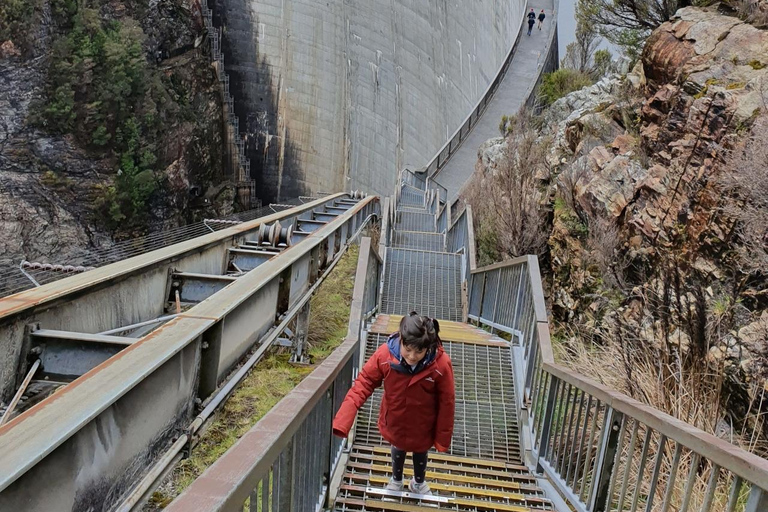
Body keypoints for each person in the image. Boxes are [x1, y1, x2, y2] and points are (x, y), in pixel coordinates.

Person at [332, 312, 455, 496]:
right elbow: (364, 382)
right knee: (398, 446)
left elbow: (447, 401)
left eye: (419, 351)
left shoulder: (440, 365)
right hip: (395, 417)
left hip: (423, 422)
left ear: (428, 348)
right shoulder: (385, 355)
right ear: (401, 340)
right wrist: (343, 420)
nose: (412, 356)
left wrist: (442, 438)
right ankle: (396, 480)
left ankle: (418, 482)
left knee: (420, 450)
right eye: (408, 349)